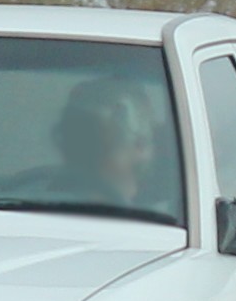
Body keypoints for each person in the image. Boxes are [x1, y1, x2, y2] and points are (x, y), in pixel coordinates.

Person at [50, 77, 159, 207]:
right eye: (87, 144)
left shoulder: (156, 220)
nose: (92, 158)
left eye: (109, 146)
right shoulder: (32, 195)